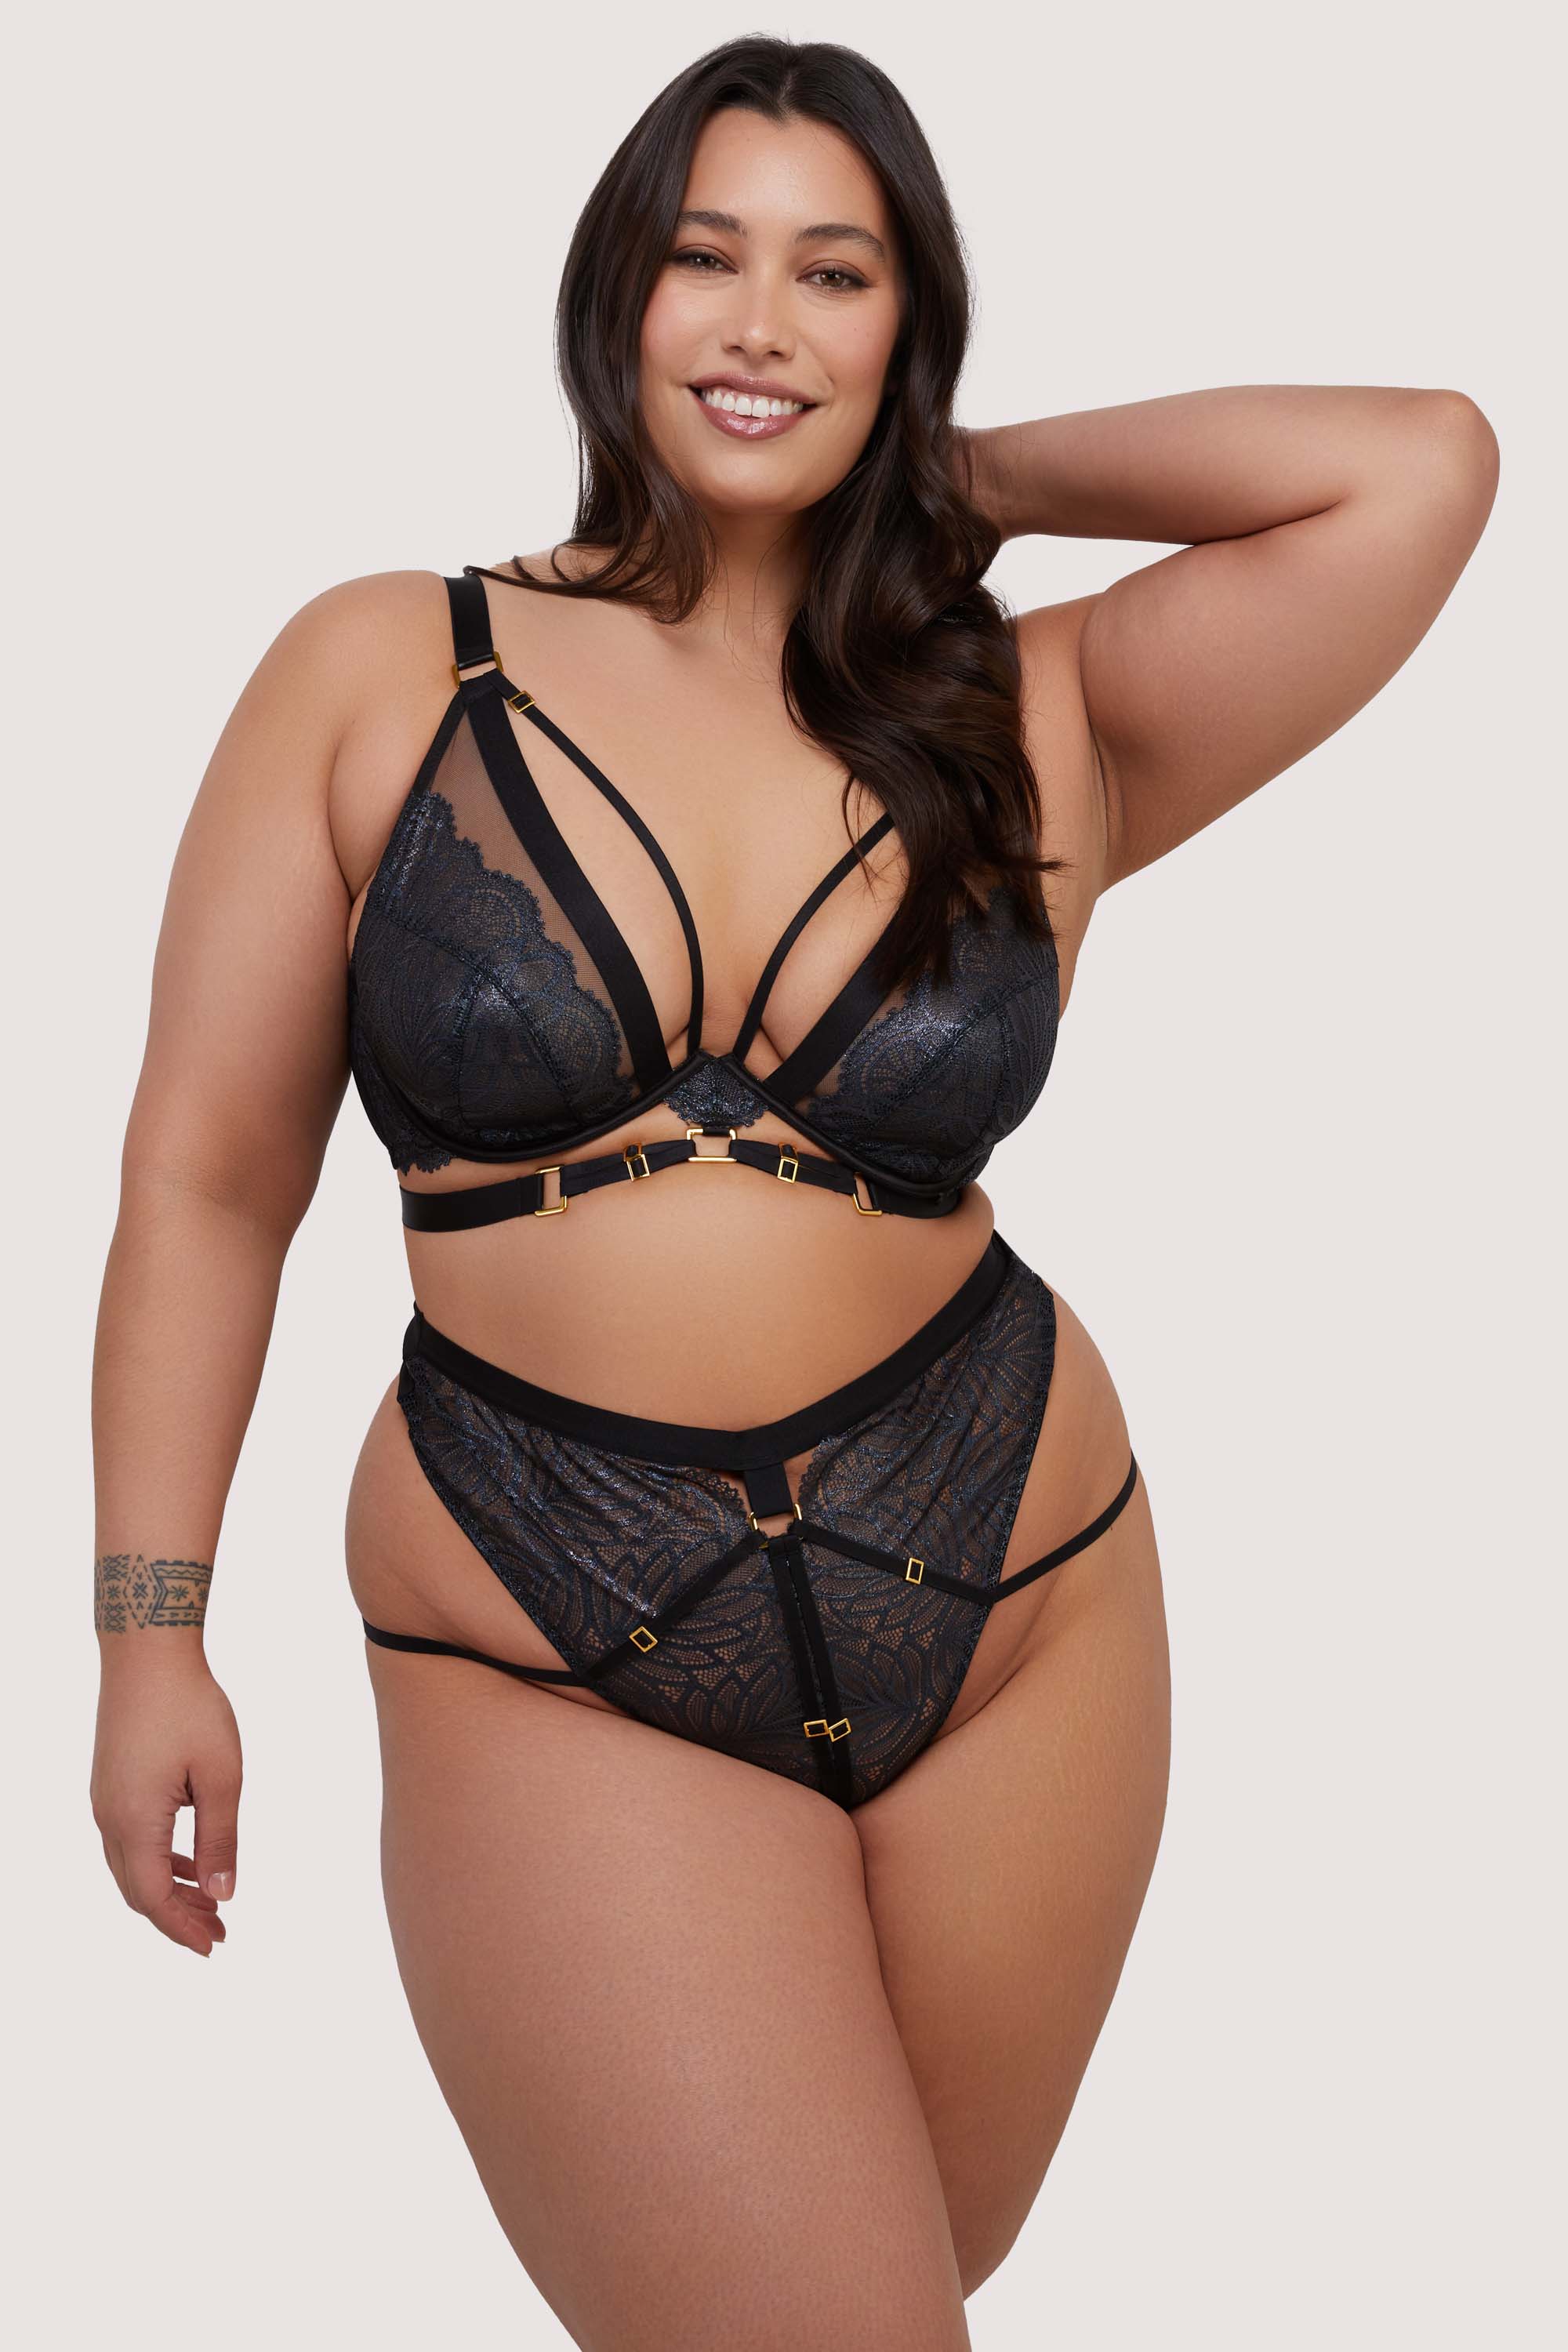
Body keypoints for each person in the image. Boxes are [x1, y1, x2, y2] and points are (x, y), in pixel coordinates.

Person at [88, 33, 1498, 2350]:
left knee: (896, 2284)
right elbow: (211, 1175)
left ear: (907, 326)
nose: (759, 324)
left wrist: (960, 478)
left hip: (1018, 1590)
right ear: (612, 295)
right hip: (551, 1611)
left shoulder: (1033, 708)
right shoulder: (385, 664)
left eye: (836, 276)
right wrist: (152, 1626)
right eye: (704, 258)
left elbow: (1417, 465)